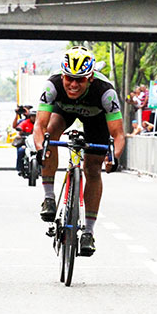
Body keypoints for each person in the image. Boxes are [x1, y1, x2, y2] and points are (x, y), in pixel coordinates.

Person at [33, 46, 125, 257]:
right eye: (69, 78)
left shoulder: (105, 92)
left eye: (80, 79)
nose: (74, 84)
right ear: (63, 75)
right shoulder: (52, 86)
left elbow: (118, 134)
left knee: (92, 169)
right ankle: (48, 197)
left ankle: (89, 233)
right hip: (63, 111)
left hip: (96, 119)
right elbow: (39, 126)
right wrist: (40, 149)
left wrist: (114, 157)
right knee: (50, 135)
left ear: (90, 78)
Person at [15, 110, 36, 175]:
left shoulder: (40, 123)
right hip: (26, 144)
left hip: (37, 144)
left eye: (35, 116)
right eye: (32, 116)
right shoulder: (25, 122)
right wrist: (19, 134)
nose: (34, 118)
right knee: (21, 151)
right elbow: (19, 127)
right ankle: (20, 169)